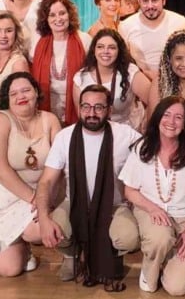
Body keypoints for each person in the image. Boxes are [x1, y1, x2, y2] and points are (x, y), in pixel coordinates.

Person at [33, 84, 141, 289]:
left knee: (128, 238)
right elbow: (46, 181)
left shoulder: (125, 135)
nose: (91, 113)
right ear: (79, 108)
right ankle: (72, 256)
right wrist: (44, 217)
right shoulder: (65, 137)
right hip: (74, 202)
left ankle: (110, 257)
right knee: (56, 229)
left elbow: (154, 151)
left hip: (114, 205)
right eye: (86, 107)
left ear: (109, 110)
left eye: (98, 107)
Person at [0, 72, 61, 276]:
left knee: (55, 223)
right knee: (10, 270)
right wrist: (35, 199)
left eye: (26, 90)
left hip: (37, 193)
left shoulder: (50, 120)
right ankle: (19, 245)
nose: (21, 96)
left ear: (36, 92)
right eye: (14, 93)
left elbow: (59, 164)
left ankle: (26, 236)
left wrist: (46, 198)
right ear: (6, 100)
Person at [120, 95, 185, 295]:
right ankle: (151, 267)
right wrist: (152, 208)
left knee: (177, 288)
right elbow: (129, 190)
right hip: (150, 210)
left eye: (178, 117)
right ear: (157, 117)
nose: (171, 122)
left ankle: (171, 258)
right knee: (160, 237)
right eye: (167, 115)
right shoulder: (142, 147)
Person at [30, 0, 92, 124]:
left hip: (77, 103)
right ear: (45, 19)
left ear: (69, 15)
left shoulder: (84, 39)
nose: (58, 18)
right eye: (52, 15)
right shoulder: (38, 43)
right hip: (47, 106)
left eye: (62, 13)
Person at [73, 28, 151, 129]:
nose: (105, 51)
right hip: (97, 131)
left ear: (119, 51)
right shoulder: (81, 78)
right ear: (94, 50)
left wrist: (146, 126)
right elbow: (82, 117)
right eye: (100, 47)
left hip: (129, 130)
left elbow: (153, 101)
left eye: (112, 47)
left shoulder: (130, 72)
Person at [118, 0, 185, 80]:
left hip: (177, 83)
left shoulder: (181, 23)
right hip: (142, 84)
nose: (150, 6)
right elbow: (123, 61)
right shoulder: (125, 26)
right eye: (145, 1)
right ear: (139, 1)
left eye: (154, 0)